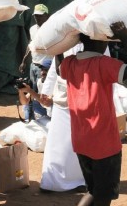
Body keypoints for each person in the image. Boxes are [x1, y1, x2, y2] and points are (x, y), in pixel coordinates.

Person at [57, 22, 127, 206]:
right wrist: (125, 38)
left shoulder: (70, 63)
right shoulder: (104, 64)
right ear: (102, 40)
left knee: (92, 191)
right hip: (104, 144)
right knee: (103, 196)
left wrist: (58, 46)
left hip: (81, 140)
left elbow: (59, 65)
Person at [38, 44, 87, 193]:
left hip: (83, 97)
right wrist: (46, 91)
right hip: (62, 98)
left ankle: (77, 180)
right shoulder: (65, 38)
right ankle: (52, 181)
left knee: (77, 143)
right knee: (59, 142)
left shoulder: (93, 35)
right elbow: (55, 67)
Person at [19, 4, 51, 121]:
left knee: (44, 93)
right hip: (34, 65)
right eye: (36, 16)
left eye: (41, 16)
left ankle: (45, 116)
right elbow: (30, 45)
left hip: (45, 68)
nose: (38, 18)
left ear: (47, 16)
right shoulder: (33, 29)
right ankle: (30, 116)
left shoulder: (51, 29)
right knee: (31, 91)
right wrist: (24, 61)